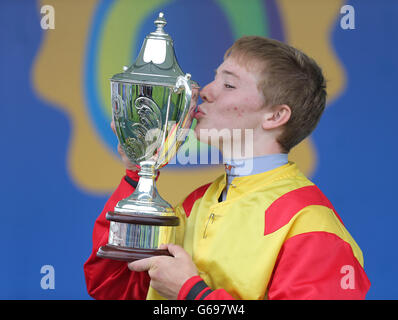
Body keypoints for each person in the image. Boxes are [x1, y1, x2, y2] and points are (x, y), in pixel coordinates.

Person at [84, 36, 370, 300]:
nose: (205, 91)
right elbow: (111, 286)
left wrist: (193, 294)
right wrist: (139, 171)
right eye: (214, 79)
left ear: (275, 115)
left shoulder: (310, 223)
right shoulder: (195, 204)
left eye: (229, 85)